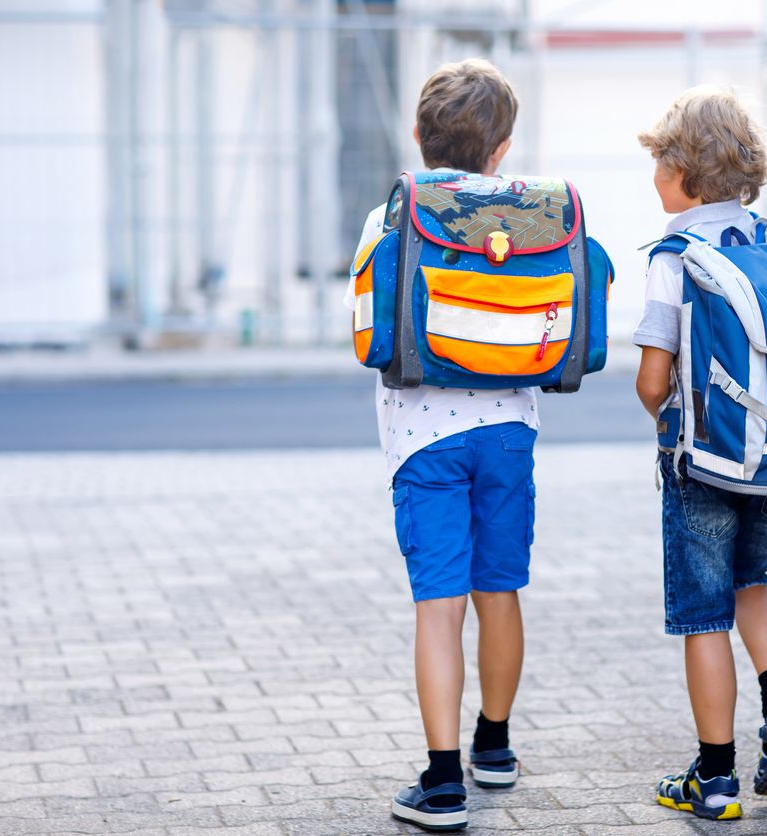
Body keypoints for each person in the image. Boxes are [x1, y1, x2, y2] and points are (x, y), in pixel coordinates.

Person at [345, 59, 535, 833]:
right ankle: (494, 745)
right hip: (510, 431)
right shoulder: (529, 215)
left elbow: (363, 333)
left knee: (437, 608)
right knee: (501, 591)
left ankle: (443, 780)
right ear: (503, 150)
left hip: (423, 441)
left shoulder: (393, 216)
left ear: (419, 138)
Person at [633, 86, 767, 822]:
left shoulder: (674, 257)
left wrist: (667, 418)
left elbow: (652, 379)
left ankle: (713, 780)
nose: (653, 179)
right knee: (754, 581)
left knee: (703, 614)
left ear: (686, 174)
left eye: (657, 164)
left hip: (701, 462)